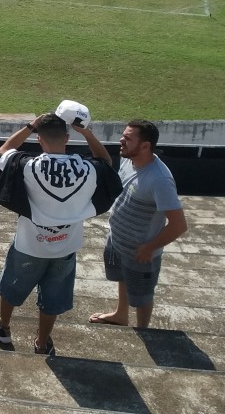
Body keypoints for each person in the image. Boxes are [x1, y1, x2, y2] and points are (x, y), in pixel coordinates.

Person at [0, 113, 113, 355]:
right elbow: (106, 162)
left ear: (40, 140)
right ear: (66, 137)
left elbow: (5, 149)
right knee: (53, 296)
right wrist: (86, 132)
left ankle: (3, 327)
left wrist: (30, 126)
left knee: (12, 287)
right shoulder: (87, 169)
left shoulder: (26, 165)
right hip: (66, 246)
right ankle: (42, 343)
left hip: (29, 244)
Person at [90, 120, 188, 329]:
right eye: (123, 136)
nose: (121, 140)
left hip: (141, 252)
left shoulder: (159, 180)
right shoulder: (128, 160)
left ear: (145, 146)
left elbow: (179, 225)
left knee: (142, 296)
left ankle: (144, 330)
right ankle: (121, 314)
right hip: (118, 241)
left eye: (128, 138)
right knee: (123, 279)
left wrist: (150, 247)